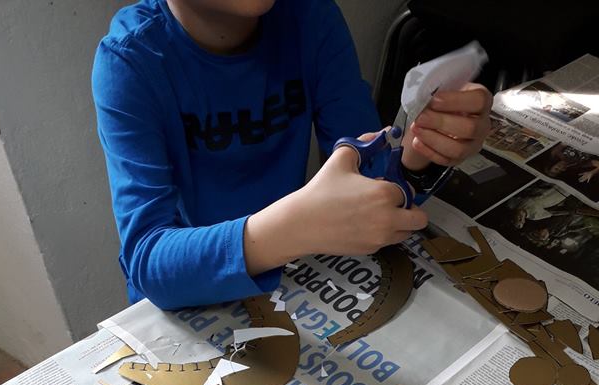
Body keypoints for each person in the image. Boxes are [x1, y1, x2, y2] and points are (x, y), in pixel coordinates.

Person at [92, 0, 491, 310]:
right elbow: (149, 262)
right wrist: (295, 228)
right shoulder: (131, 60)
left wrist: (422, 148)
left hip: (299, 279)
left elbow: (369, 180)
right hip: (192, 302)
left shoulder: (310, 16)